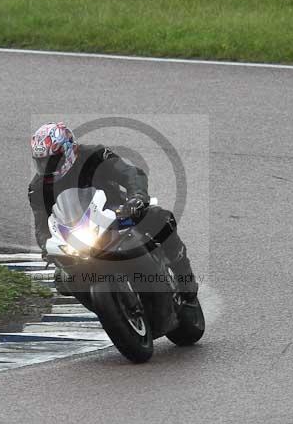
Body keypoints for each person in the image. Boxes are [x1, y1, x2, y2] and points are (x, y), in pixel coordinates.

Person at [27, 121, 198, 303]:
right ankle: (103, 308)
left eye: (52, 160)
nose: (47, 166)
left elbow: (130, 173)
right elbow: (41, 224)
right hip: (78, 235)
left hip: (118, 214)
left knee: (163, 220)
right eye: (41, 161)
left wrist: (137, 198)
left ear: (68, 149)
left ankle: (184, 276)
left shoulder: (94, 155)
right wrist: (46, 246)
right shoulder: (37, 188)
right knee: (63, 280)